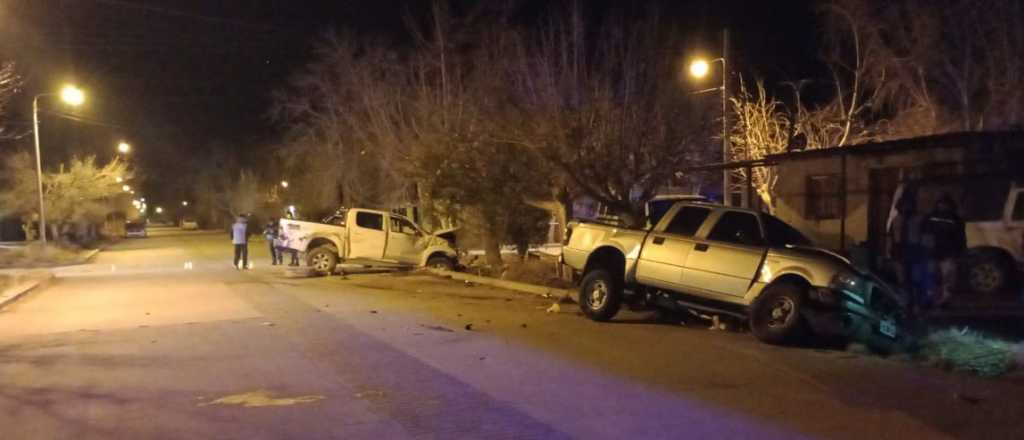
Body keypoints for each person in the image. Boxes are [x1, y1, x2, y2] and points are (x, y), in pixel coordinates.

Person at [921, 194, 967, 307]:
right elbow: (924, 233)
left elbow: (960, 237)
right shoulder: (932, 217)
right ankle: (932, 298)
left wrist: (960, 251)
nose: (943, 206)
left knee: (947, 278)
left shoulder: (955, 219)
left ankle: (944, 299)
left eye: (944, 204)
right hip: (935, 253)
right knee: (933, 277)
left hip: (947, 253)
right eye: (941, 204)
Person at [890, 187, 929, 313]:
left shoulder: (919, 219)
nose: (905, 208)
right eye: (903, 205)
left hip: (914, 251)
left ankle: (917, 304)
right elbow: (892, 236)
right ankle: (906, 305)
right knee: (903, 281)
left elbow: (924, 236)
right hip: (900, 251)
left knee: (915, 280)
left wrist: (923, 251)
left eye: (908, 205)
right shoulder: (897, 220)